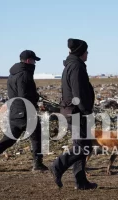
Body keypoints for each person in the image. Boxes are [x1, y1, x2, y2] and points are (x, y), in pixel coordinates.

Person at [0, 50, 48, 172]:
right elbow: (24, 95)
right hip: (25, 111)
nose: (35, 63)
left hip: (14, 111)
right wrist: (35, 98)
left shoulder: (13, 74)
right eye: (34, 60)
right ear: (28, 60)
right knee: (36, 136)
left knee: (10, 138)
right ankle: (37, 164)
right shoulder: (24, 74)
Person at [49, 38, 98, 190]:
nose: (88, 54)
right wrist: (86, 110)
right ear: (81, 52)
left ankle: (81, 181)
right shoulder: (76, 67)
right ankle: (57, 166)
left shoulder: (71, 65)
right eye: (86, 51)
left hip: (72, 111)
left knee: (81, 146)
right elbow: (79, 93)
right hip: (77, 113)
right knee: (84, 148)